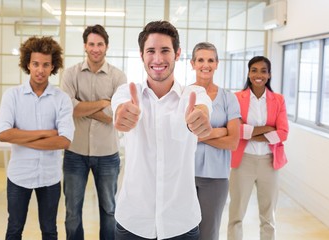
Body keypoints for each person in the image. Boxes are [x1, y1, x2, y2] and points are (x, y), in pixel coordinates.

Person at [111, 20, 213, 240]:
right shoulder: (126, 93)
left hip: (181, 224)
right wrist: (123, 115)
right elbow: (119, 109)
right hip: (133, 223)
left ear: (177, 54)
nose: (157, 59)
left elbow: (203, 109)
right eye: (151, 51)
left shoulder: (194, 95)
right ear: (141, 55)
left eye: (165, 50)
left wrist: (200, 118)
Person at [0, 36, 75, 240]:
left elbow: (64, 141)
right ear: (28, 64)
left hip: (50, 177)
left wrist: (21, 136)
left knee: (49, 230)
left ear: (53, 66)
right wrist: (46, 133)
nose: (40, 70)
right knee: (14, 229)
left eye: (46, 65)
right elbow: (4, 134)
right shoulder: (12, 96)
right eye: (36, 64)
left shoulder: (62, 99)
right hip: (19, 176)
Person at [60, 24, 127, 240]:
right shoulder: (70, 74)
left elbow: (115, 116)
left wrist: (83, 107)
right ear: (85, 46)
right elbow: (68, 108)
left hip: (108, 154)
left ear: (106, 46)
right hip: (75, 152)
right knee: (72, 212)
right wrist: (102, 103)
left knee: (109, 210)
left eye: (100, 44)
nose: (95, 48)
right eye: (91, 44)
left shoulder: (118, 77)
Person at [227, 56, 289, 240]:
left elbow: (283, 133)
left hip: (269, 163)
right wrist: (266, 131)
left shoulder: (278, 100)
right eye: (254, 70)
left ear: (269, 75)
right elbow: (236, 130)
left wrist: (251, 132)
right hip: (243, 161)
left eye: (263, 70)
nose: (258, 74)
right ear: (248, 73)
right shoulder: (237, 98)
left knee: (268, 218)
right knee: (236, 216)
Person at [190, 42, 240, 240]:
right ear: (192, 63)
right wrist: (219, 131)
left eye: (210, 60)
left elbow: (233, 142)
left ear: (217, 64)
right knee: (182, 231)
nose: (205, 65)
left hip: (216, 178)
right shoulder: (183, 95)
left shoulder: (228, 98)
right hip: (184, 174)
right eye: (200, 60)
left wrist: (198, 136)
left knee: (208, 233)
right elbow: (178, 137)